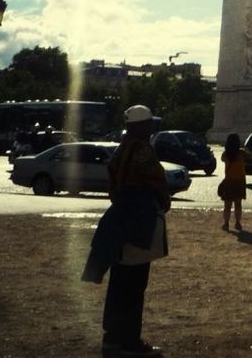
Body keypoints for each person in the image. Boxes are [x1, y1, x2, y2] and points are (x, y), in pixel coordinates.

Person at [82, 103, 170, 357]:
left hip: (120, 214)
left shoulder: (121, 149)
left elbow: (112, 180)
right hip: (138, 217)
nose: (152, 127)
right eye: (149, 123)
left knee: (119, 282)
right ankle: (130, 341)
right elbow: (157, 179)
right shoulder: (143, 150)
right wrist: (163, 200)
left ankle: (111, 337)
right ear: (140, 125)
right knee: (135, 283)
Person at [218, 133, 246, 232]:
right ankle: (238, 222)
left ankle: (226, 223)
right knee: (238, 204)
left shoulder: (225, 154)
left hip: (229, 180)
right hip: (239, 181)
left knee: (227, 204)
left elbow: (222, 159)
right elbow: (250, 156)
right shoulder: (242, 153)